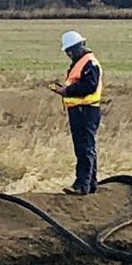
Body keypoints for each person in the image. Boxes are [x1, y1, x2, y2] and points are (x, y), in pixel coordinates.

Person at [47, 30, 103, 195]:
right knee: (86, 146)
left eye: (70, 50)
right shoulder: (82, 62)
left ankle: (82, 185)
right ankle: (90, 183)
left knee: (84, 147)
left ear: (79, 47)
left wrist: (67, 91)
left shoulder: (89, 63)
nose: (68, 54)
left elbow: (89, 86)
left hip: (85, 110)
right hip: (80, 110)